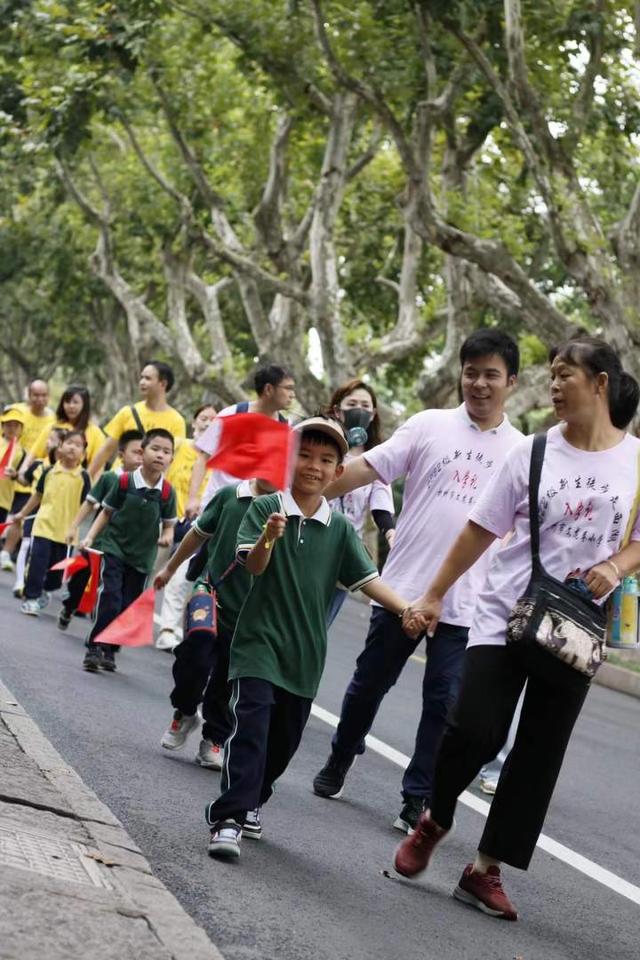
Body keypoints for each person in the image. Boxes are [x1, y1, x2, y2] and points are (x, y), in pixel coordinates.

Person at [393, 336, 640, 922]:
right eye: (551, 375)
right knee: (473, 730)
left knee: (537, 754)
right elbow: (479, 530)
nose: (553, 386)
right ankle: (437, 815)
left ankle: (485, 869)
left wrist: (614, 565)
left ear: (600, 382)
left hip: (577, 628)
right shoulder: (530, 453)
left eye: (565, 375)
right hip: (505, 611)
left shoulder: (636, 463)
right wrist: (432, 593)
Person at [312, 329, 522, 834]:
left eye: (490, 374)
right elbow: (368, 467)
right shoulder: (429, 426)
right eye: (470, 372)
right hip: (401, 589)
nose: (478, 384)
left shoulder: (522, 452)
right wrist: (308, 486)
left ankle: (416, 798)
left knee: (443, 706)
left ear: (511, 382)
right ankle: (341, 755)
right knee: (368, 686)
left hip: (467, 605)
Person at [205, 417, 412, 861]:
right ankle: (229, 818)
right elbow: (254, 566)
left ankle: (256, 796)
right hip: (257, 644)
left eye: (325, 459)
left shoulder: (338, 528)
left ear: (339, 472)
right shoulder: (266, 509)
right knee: (251, 732)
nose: (313, 466)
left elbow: (366, 580)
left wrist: (406, 609)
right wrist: (267, 539)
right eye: (305, 454)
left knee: (283, 743)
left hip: (304, 657)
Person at [154, 476, 276, 769]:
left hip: (251, 610)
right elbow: (198, 534)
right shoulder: (230, 496)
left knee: (228, 677)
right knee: (193, 655)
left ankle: (215, 739)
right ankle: (184, 712)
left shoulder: (287, 512)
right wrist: (170, 569)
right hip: (211, 592)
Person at [81, 428, 177, 673]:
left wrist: (166, 538)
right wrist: (91, 536)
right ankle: (95, 646)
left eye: (166, 452)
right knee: (111, 599)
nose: (160, 455)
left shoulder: (167, 492)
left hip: (142, 559)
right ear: (142, 452)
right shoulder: (124, 481)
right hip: (114, 548)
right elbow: (106, 512)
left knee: (126, 607)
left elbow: (169, 526)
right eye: (155, 449)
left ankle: (110, 649)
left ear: (172, 459)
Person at [57, 430, 145, 631]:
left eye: (143, 453)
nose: (140, 458)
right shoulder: (109, 478)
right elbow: (89, 503)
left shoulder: (147, 485)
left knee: (113, 588)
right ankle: (70, 606)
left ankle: (104, 627)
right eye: (136, 453)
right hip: (97, 542)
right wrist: (74, 527)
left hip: (124, 548)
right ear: (121, 455)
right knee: (81, 579)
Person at [325, 379, 395, 624]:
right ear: (337, 410)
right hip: (305, 540)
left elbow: (381, 501)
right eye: (352, 403)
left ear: (374, 414)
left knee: (319, 627)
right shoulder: (322, 442)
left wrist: (390, 532)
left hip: (340, 552)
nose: (359, 410)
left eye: (365, 405)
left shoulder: (378, 456)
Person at [185, 364, 296, 517]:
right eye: (288, 388)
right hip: (218, 506)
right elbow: (203, 458)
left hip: (255, 512)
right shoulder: (232, 414)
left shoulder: (286, 427)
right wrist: (192, 499)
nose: (292, 395)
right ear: (269, 389)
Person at [155, 404, 217, 651]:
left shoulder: (220, 460)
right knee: (150, 572)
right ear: (194, 422)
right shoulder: (178, 446)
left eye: (214, 420)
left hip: (196, 526)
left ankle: (169, 629)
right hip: (166, 520)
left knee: (181, 576)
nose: (208, 423)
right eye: (204, 418)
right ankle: (124, 612)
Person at [11, 430, 91, 616]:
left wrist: (78, 528)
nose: (73, 447)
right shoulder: (49, 472)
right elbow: (37, 496)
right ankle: (31, 598)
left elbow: (88, 504)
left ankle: (45, 590)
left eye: (78, 445)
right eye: (69, 442)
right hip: (43, 527)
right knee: (37, 564)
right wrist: (22, 513)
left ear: (83, 454)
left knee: (56, 576)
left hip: (66, 533)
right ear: (60, 447)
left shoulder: (84, 477)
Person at [89, 361, 186, 478]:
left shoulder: (176, 420)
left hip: (149, 484)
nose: (142, 382)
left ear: (163, 384)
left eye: (148, 378)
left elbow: (172, 459)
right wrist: (87, 477)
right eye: (142, 378)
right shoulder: (128, 412)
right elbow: (107, 450)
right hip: (120, 480)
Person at [2, 380, 55, 571]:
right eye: (36, 395)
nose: (40, 399)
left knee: (19, 516)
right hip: (7, 474)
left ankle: (6, 553)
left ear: (48, 396)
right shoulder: (16, 411)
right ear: (28, 395)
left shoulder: (52, 420)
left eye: (43, 395)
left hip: (28, 477)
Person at [18, 385, 105, 477]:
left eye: (75, 402)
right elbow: (34, 453)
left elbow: (98, 467)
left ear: (84, 405)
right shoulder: (52, 427)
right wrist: (22, 471)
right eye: (67, 402)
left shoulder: (95, 433)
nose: (71, 406)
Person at [0, 408, 26, 533]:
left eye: (16, 425)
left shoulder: (22, 453)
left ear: (21, 429)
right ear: (2, 426)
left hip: (3, 501)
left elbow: (24, 480)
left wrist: (15, 474)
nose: (12, 428)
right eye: (8, 425)